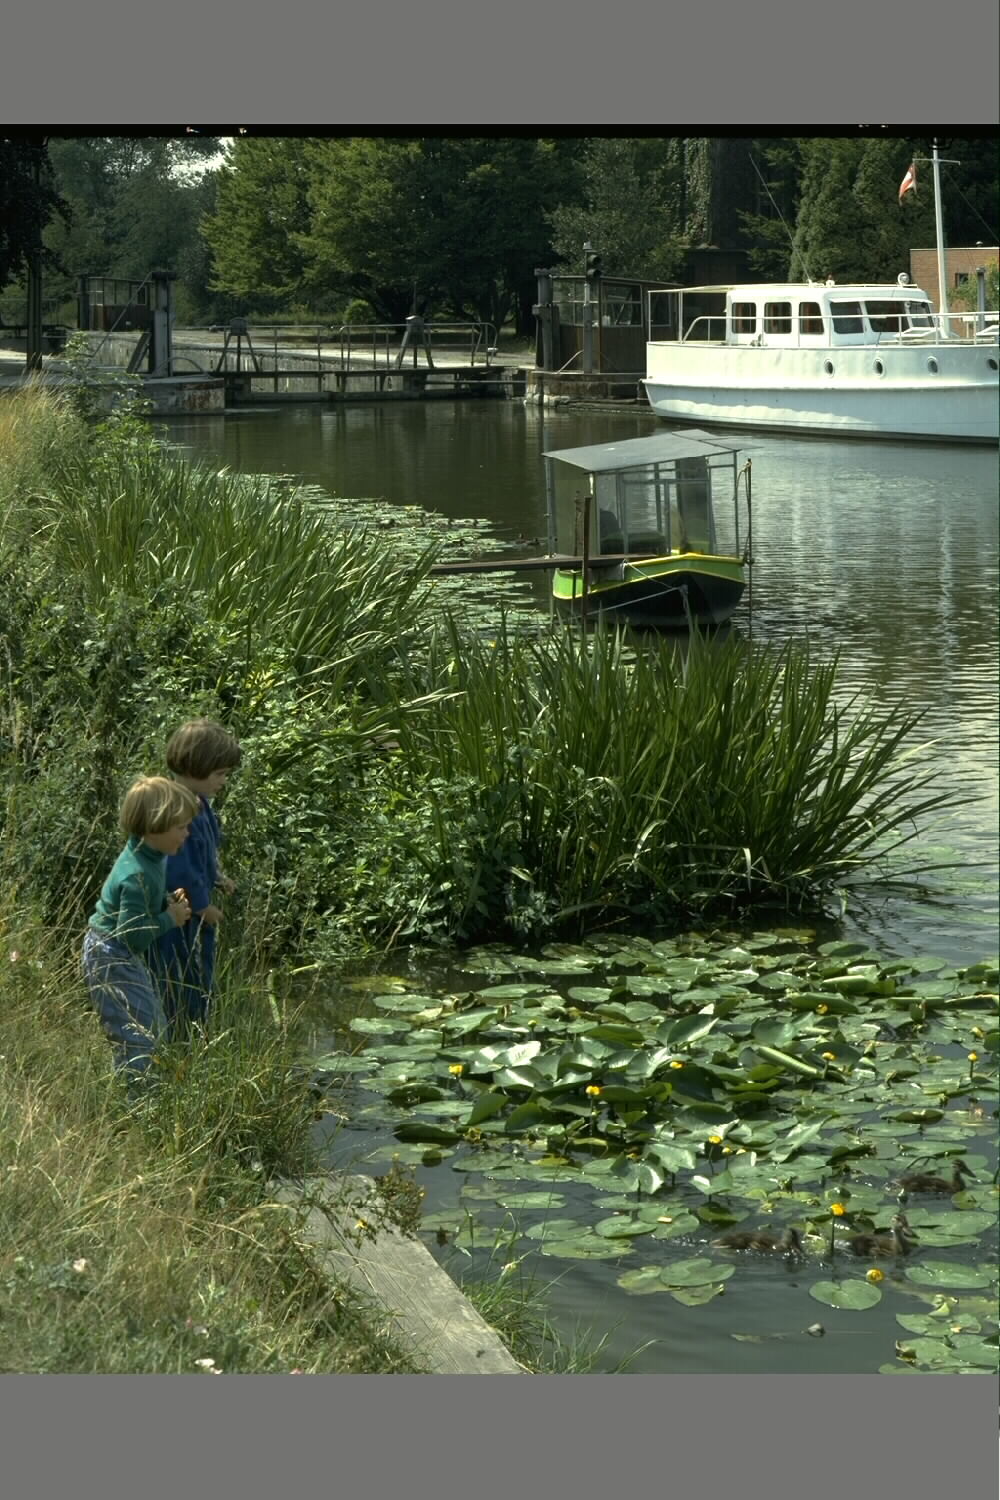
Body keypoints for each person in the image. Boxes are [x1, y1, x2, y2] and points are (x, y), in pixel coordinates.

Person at [82, 776, 198, 1089]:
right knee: (138, 1033)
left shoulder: (151, 854)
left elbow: (143, 904)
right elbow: (132, 934)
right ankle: (136, 1098)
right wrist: (169, 918)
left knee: (150, 1023)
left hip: (117, 951)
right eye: (181, 827)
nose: (186, 834)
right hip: (110, 953)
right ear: (155, 826)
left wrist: (165, 901)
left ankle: (138, 1091)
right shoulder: (136, 874)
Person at [156, 718, 241, 1030]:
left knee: (201, 971)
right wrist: (203, 906)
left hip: (193, 911)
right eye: (219, 774)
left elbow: (203, 851)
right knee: (180, 975)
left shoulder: (200, 804)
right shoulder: (176, 810)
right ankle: (181, 1033)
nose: (223, 781)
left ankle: (197, 1028)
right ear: (196, 767)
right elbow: (178, 868)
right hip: (178, 913)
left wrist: (217, 876)